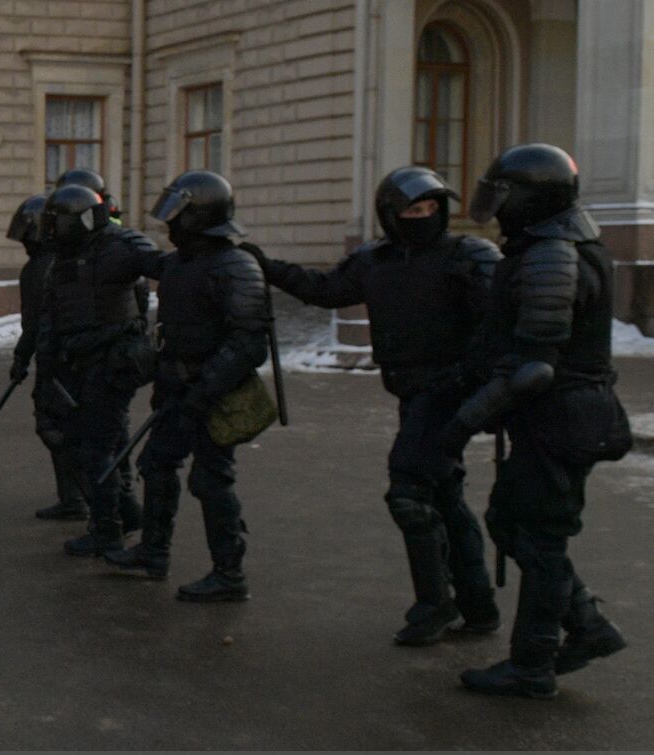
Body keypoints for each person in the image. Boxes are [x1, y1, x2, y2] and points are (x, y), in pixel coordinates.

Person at [241, 167, 501, 640]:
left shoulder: (467, 255)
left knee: (408, 491)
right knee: (443, 494)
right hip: (411, 390)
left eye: (431, 208)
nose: (423, 217)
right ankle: (478, 605)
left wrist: (474, 377)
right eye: (412, 209)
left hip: (448, 395)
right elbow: (325, 290)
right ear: (391, 215)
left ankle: (434, 606)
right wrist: (266, 265)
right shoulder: (375, 261)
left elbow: (500, 321)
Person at [441, 143, 630, 698]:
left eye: (506, 197)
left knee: (540, 539)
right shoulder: (550, 245)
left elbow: (533, 370)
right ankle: (588, 628)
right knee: (509, 522)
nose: (498, 209)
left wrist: (462, 423)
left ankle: (532, 665)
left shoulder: (553, 254)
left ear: (533, 198)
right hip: (556, 420)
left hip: (561, 420)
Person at [103, 172, 268, 601]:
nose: (170, 226)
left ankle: (229, 573)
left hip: (215, 395)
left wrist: (206, 388)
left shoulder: (235, 266)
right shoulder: (178, 264)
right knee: (156, 464)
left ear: (200, 216)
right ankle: (154, 552)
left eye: (177, 216)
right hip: (177, 388)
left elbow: (249, 342)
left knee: (212, 480)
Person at [40, 184, 159, 555]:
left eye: (58, 221)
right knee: (94, 443)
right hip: (82, 365)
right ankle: (124, 514)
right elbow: (56, 314)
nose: (52, 229)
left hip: (113, 364)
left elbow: (164, 268)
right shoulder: (66, 257)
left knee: (97, 448)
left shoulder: (118, 246)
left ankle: (108, 529)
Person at [8, 193, 85, 519]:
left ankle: (84, 499)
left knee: (56, 428)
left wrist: (22, 357)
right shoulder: (52, 264)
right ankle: (74, 498)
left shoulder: (45, 267)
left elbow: (39, 322)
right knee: (61, 428)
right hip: (58, 358)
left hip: (58, 361)